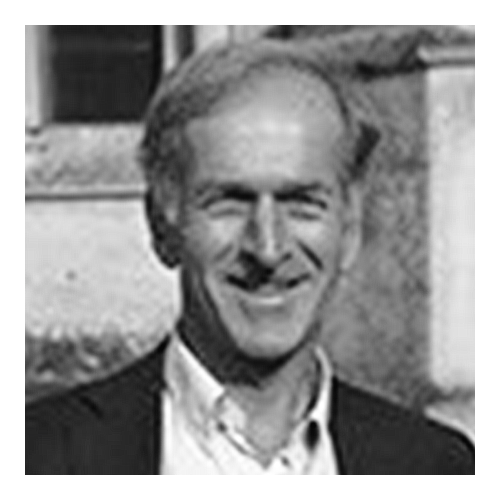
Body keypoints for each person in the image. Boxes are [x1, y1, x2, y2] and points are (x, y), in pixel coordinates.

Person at [25, 40, 474, 474]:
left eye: (302, 202)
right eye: (230, 202)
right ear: (162, 226)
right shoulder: (36, 459)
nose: (268, 249)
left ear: (350, 226)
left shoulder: (439, 468)